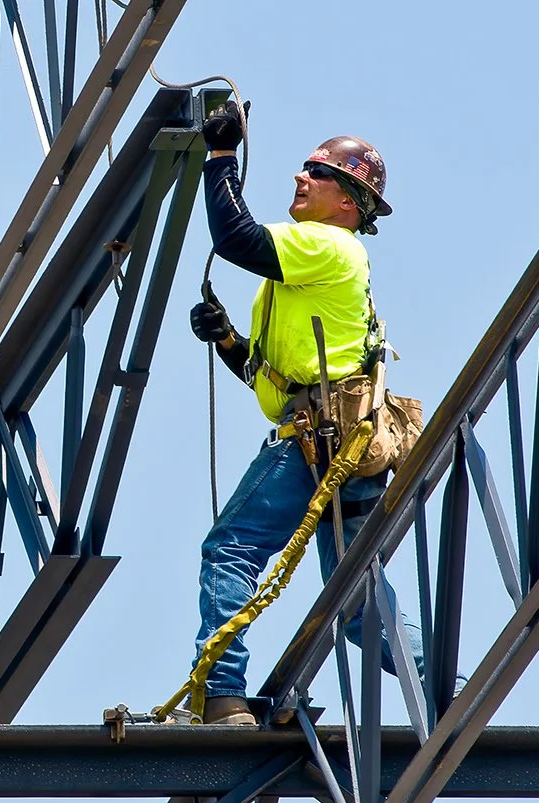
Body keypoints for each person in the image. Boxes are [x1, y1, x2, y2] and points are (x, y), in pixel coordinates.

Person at [183, 102, 424, 727]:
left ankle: (223, 696)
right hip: (342, 438)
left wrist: (220, 156)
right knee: (355, 607)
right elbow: (280, 383)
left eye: (317, 173)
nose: (300, 177)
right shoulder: (308, 269)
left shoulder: (328, 245)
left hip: (317, 440)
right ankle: (451, 692)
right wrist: (232, 341)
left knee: (231, 548)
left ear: (349, 202)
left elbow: (234, 238)